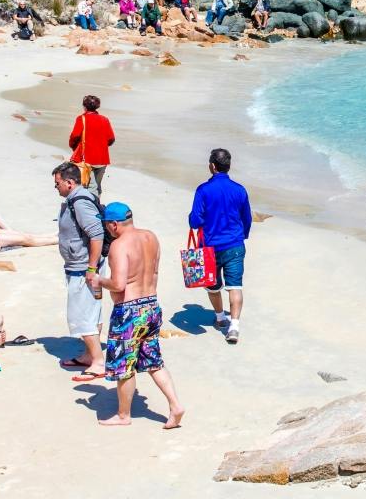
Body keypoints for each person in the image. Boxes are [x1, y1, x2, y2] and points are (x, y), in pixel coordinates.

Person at [97, 202, 183, 428]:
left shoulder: (118, 245)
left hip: (129, 311)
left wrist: (98, 280)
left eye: (107, 226)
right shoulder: (151, 237)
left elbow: (118, 284)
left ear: (114, 225)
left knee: (124, 365)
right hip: (151, 305)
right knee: (153, 360)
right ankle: (175, 405)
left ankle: (124, 415)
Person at [187, 148, 252, 344]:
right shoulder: (240, 190)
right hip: (234, 244)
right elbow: (246, 218)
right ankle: (234, 327)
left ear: (212, 166)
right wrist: (242, 235)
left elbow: (195, 221)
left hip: (210, 248)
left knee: (213, 286)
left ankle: (220, 318)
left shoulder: (204, 190)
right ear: (228, 166)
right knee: (235, 286)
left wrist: (192, 219)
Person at [52, 162, 108, 378]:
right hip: (83, 266)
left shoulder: (80, 202)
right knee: (92, 311)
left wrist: (91, 268)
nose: (56, 187)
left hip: (84, 268)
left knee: (82, 315)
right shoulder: (75, 200)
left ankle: (98, 362)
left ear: (69, 182)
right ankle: (89, 355)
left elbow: (96, 235)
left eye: (57, 183)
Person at [68, 95, 115, 195]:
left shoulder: (82, 119)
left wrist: (74, 147)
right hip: (103, 159)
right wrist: (101, 145)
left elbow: (74, 137)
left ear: (84, 106)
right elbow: (111, 139)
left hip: (87, 159)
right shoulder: (105, 119)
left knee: (91, 188)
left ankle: (92, 209)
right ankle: (96, 207)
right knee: (97, 186)